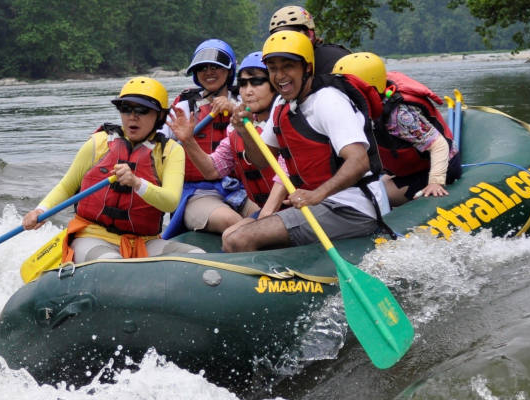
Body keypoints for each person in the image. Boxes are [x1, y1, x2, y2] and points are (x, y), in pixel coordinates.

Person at [223, 31, 385, 252]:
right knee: (231, 236)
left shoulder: (328, 100)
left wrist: (317, 194)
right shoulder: (282, 104)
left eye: (288, 66)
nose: (280, 75)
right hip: (319, 205)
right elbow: (261, 160)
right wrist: (243, 131)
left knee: (239, 240)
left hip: (351, 207)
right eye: (272, 68)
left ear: (307, 68)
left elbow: (359, 161)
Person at [22, 77, 204, 263]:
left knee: (197, 257)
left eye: (142, 110)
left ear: (159, 115)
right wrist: (40, 210)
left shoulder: (171, 151)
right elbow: (67, 186)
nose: (133, 116)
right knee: (112, 262)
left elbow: (171, 202)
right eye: (126, 109)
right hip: (92, 236)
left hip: (144, 243)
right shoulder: (98, 143)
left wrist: (136, 183)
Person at [166, 51, 288, 235]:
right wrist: (188, 140)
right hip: (200, 192)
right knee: (231, 236)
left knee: (240, 232)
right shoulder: (233, 129)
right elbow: (212, 170)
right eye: (244, 84)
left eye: (256, 82)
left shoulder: (287, 121)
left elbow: (284, 172)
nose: (248, 90)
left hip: (295, 206)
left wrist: (265, 215)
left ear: (275, 86)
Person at [332, 52, 462, 206]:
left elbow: (439, 145)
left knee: (380, 195)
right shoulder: (361, 112)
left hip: (441, 167)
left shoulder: (399, 116)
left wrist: (436, 182)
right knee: (371, 187)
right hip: (410, 169)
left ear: (370, 90)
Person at [160, 39, 247, 237]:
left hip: (240, 188)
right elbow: (156, 138)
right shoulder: (184, 107)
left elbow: (263, 126)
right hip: (197, 193)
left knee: (269, 217)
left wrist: (234, 109)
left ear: (229, 70)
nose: (209, 72)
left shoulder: (243, 101)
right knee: (232, 222)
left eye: (216, 66)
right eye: (202, 68)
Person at [268, 5, 350, 75]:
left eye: (290, 36)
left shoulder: (335, 59)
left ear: (309, 35)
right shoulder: (277, 67)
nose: (284, 42)